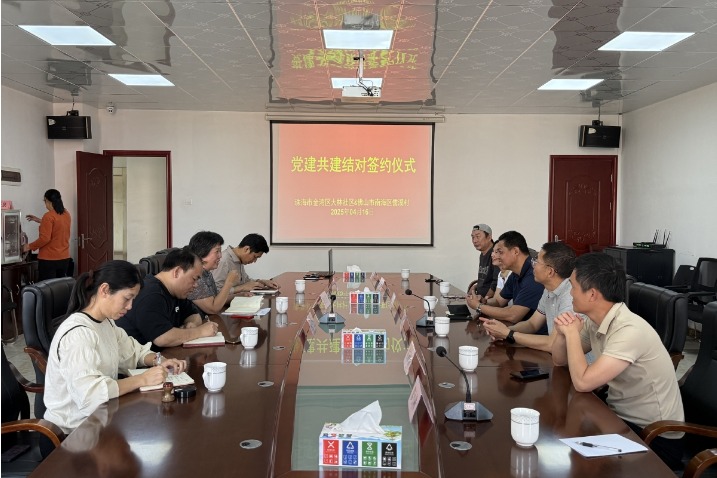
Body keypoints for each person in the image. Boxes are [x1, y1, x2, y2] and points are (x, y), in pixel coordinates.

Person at [551, 253, 684, 469]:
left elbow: (583, 383)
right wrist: (561, 332)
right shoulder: (596, 320)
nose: (570, 293)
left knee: (574, 462)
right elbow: (559, 360)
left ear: (592, 294)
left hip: (654, 437)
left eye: (573, 287)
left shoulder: (629, 330)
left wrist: (572, 334)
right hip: (617, 420)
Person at [43, 260, 186, 434]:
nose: (130, 306)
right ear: (104, 290)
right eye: (127, 298)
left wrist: (159, 360)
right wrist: (142, 379)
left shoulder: (106, 322)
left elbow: (132, 352)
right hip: (71, 433)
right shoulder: (78, 334)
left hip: (100, 419)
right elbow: (90, 395)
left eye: (133, 299)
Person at [481, 241, 580, 352]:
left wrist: (508, 334)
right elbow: (532, 324)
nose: (533, 265)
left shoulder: (571, 296)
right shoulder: (548, 289)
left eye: (536, 262)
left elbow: (552, 343)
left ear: (550, 272)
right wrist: (503, 330)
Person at [116, 247, 218, 349]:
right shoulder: (151, 294)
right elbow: (162, 338)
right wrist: (199, 332)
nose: (196, 285)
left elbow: (194, 314)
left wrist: (191, 324)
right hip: (140, 357)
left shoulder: (177, 291)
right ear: (177, 272)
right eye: (194, 279)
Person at [466, 231, 545, 329]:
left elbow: (514, 315)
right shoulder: (515, 273)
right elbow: (499, 301)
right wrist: (484, 301)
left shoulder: (533, 275)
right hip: (518, 329)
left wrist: (479, 306)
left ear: (515, 251)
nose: (497, 257)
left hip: (534, 334)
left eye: (500, 252)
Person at [187, 231, 239, 316]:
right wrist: (229, 282)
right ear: (202, 252)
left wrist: (240, 295)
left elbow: (216, 299)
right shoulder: (196, 277)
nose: (220, 256)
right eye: (217, 251)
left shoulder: (207, 273)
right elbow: (213, 308)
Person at [23, 189, 72, 280]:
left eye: (44, 201)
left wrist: (29, 246)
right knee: (60, 286)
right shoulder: (66, 213)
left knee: (48, 287)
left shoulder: (48, 216)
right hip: (64, 258)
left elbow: (45, 238)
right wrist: (39, 220)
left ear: (48, 200)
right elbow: (58, 225)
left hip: (49, 260)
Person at [212, 233, 278, 299]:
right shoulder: (223, 261)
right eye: (255, 257)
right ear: (246, 249)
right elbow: (215, 292)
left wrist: (262, 282)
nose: (255, 261)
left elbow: (246, 281)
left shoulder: (239, 260)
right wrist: (242, 288)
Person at [466, 224, 498, 300]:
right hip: (478, 298)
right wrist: (475, 286)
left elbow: (496, 283)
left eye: (478, 236)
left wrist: (484, 301)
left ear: (489, 237)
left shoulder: (495, 254)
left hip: (489, 302)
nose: (474, 241)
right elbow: (486, 280)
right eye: (473, 237)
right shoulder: (483, 254)